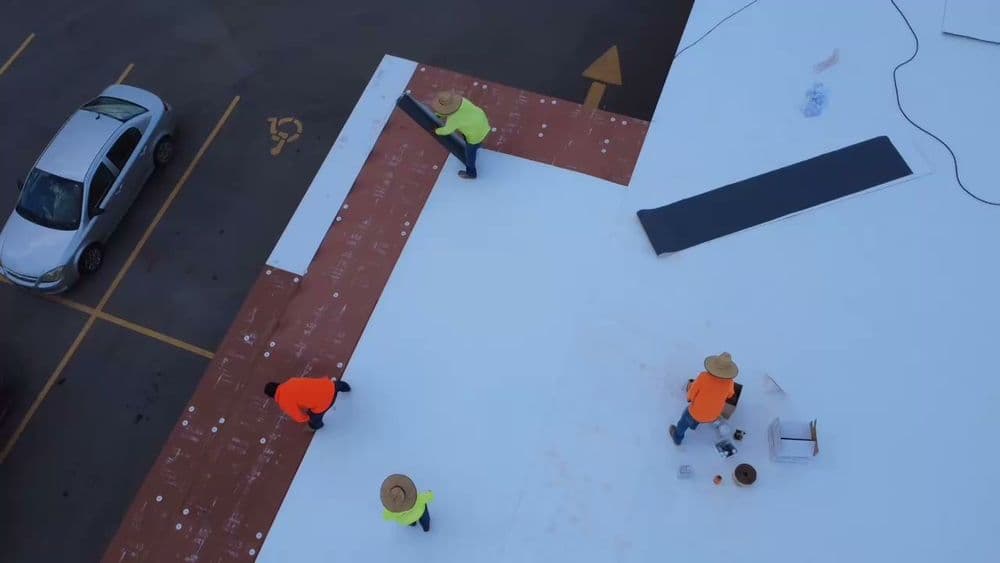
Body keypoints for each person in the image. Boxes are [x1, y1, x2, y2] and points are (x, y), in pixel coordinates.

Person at [670, 352, 738, 445]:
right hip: (713, 416)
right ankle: (695, 423)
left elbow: (692, 392)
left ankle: (677, 437)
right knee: (700, 415)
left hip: (696, 412)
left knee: (684, 421)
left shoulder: (704, 377)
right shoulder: (730, 382)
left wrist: (690, 399)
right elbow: (730, 395)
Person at [431, 90, 491, 179]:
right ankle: (477, 146)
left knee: (470, 154)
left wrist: (436, 131)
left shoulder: (454, 119)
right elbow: (449, 111)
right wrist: (440, 115)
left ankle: (471, 173)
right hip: (483, 124)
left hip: (474, 135)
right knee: (476, 139)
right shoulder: (463, 101)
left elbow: (446, 130)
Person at [264, 376, 351, 430]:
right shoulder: (291, 381)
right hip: (328, 385)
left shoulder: (283, 401)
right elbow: (309, 382)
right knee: (338, 385)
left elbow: (298, 417)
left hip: (324, 403)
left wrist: (307, 418)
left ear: (272, 396)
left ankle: (317, 426)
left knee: (313, 419)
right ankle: (346, 388)